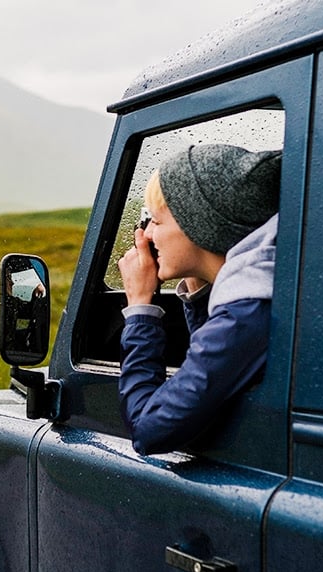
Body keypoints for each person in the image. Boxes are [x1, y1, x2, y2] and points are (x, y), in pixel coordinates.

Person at [117, 143, 281, 455]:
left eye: (156, 220)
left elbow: (148, 428)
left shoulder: (246, 314)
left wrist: (140, 307)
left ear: (197, 224)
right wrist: (196, 279)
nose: (147, 234)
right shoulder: (257, 296)